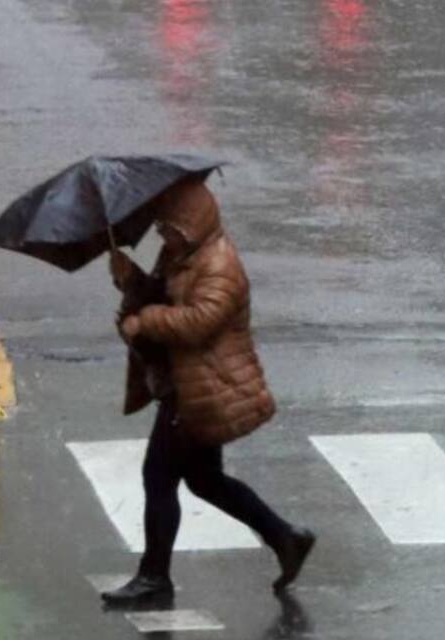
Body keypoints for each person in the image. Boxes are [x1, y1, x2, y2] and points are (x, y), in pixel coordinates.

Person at [101, 178, 316, 605]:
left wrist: (145, 322)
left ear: (191, 224)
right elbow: (163, 298)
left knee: (159, 477)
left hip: (202, 388)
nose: (162, 235)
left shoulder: (219, 265)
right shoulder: (183, 255)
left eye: (170, 227)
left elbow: (199, 321)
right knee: (204, 480)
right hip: (186, 384)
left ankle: (154, 576)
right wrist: (132, 282)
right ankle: (285, 537)